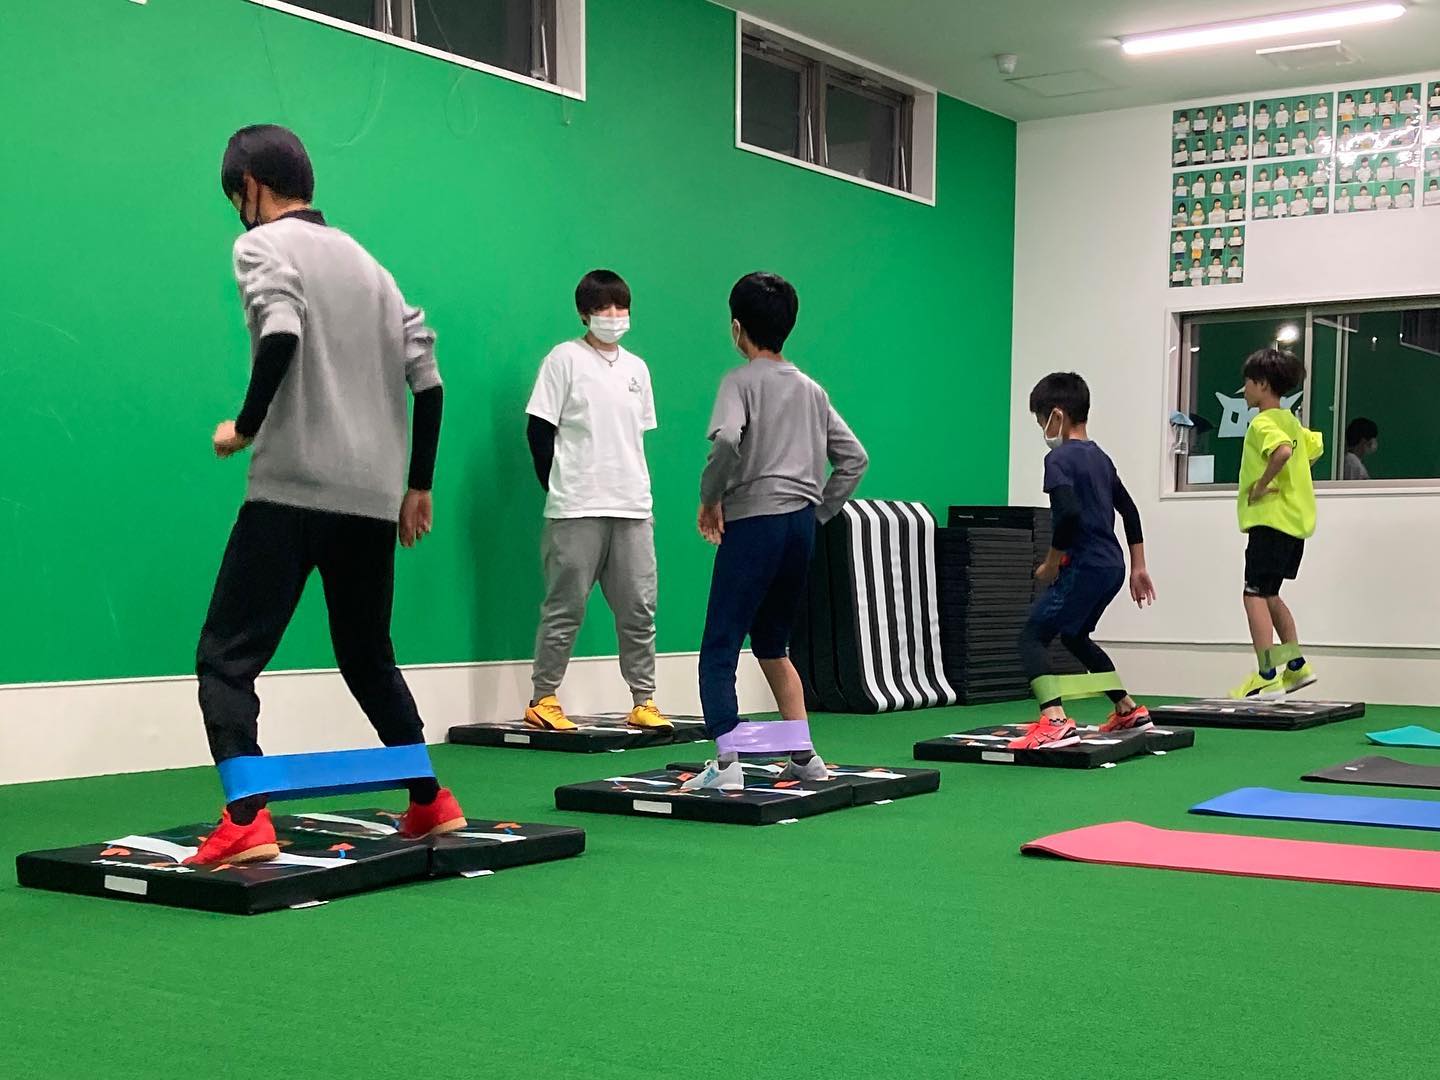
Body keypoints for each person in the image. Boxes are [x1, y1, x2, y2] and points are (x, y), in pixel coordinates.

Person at [190, 125, 465, 865]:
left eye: (236, 197)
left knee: (226, 658)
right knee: (368, 655)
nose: (237, 212)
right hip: (371, 501)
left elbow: (280, 332)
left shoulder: (262, 247)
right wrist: (418, 485)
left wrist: (246, 427)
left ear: (252, 186)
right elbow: (430, 382)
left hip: (290, 489)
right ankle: (430, 800)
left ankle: (246, 818)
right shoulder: (374, 270)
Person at [683, 273, 868, 790]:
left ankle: (728, 763)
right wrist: (817, 513)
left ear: (737, 328)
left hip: (754, 524)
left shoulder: (739, 381)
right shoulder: (812, 390)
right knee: (772, 644)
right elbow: (854, 459)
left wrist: (710, 498)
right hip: (799, 529)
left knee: (720, 645)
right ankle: (802, 754)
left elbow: (726, 441)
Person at [523, 270, 669, 733]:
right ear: (585, 313)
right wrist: (558, 487)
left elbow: (634, 435)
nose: (614, 316)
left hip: (633, 507)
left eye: (620, 306)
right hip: (576, 507)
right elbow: (538, 430)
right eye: (604, 308)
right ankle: (544, 698)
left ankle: (643, 700)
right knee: (565, 607)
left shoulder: (637, 369)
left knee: (639, 607)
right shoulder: (564, 359)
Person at [1008, 373, 1155, 750]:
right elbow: (1130, 511)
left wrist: (1051, 563)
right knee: (1074, 636)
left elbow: (1068, 515)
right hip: (1113, 568)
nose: (1042, 429)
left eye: (1041, 420)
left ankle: (1054, 719)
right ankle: (1127, 708)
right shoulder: (1101, 458)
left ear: (1056, 415)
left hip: (1084, 566)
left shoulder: (1057, 458)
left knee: (1032, 637)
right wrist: (1139, 567)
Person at [1229, 349, 1322, 700]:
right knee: (1269, 593)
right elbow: (1312, 449)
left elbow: (1282, 451)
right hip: (1294, 524)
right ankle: (1295, 665)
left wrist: (1263, 484)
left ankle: (1267, 673)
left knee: (1252, 593)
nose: (1245, 389)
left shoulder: (1263, 423)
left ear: (1263, 385)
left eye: (1248, 382)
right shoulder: (1292, 422)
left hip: (1270, 522)